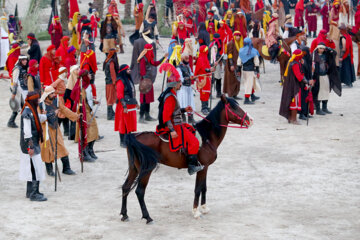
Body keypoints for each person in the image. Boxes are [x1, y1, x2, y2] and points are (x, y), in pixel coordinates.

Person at [156, 71, 203, 175]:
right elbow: (166, 116)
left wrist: (184, 110)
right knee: (194, 142)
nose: (181, 84)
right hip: (175, 126)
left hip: (178, 123)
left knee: (192, 130)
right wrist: (172, 130)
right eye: (179, 82)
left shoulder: (172, 94)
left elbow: (174, 112)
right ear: (174, 84)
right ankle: (191, 167)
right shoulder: (170, 97)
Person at [39, 86, 78, 176]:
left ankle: (66, 168)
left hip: (55, 128)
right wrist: (48, 115)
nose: (54, 95)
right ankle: (49, 170)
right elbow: (39, 119)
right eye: (51, 93)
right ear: (47, 95)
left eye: (53, 93)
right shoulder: (41, 105)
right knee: (47, 149)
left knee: (61, 147)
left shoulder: (57, 102)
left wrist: (75, 116)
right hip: (46, 130)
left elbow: (64, 110)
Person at [19, 92, 47, 201]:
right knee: (35, 167)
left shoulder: (31, 110)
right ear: (33, 100)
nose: (39, 101)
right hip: (30, 144)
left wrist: (49, 115)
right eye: (37, 99)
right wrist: (30, 147)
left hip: (32, 143)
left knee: (32, 167)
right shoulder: (27, 112)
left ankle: (30, 191)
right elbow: (27, 132)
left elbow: (39, 118)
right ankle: (34, 194)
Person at [71, 70, 99, 162]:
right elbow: (78, 101)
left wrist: (94, 101)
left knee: (94, 131)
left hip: (89, 111)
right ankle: (84, 152)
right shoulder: (80, 87)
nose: (90, 75)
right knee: (87, 133)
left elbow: (88, 98)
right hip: (84, 112)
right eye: (88, 74)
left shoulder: (88, 85)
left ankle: (90, 150)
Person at [137, 44, 168, 123]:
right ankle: (141, 116)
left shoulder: (148, 57)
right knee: (144, 99)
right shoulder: (143, 59)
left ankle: (147, 115)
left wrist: (164, 57)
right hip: (145, 81)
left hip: (148, 81)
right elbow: (142, 71)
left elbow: (155, 63)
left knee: (148, 99)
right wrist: (145, 82)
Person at [279, 49, 311, 124]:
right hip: (294, 85)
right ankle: (293, 119)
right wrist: (308, 81)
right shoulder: (295, 64)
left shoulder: (294, 62)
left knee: (292, 101)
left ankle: (291, 118)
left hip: (291, 84)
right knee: (295, 102)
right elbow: (299, 76)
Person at [312, 43, 341, 115]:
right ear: (317, 48)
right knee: (318, 92)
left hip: (325, 75)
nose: (321, 50)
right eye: (320, 48)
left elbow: (334, 53)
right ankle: (318, 109)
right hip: (318, 77)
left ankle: (324, 108)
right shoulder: (313, 56)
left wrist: (328, 48)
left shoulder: (326, 54)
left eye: (322, 48)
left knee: (326, 91)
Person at [115, 64, 138, 147]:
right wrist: (124, 106)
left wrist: (136, 103)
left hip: (130, 105)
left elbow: (132, 93)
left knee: (130, 123)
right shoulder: (120, 81)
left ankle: (128, 140)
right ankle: (122, 141)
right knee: (123, 123)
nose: (129, 71)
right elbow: (120, 95)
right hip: (123, 106)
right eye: (128, 69)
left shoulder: (129, 79)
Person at [237, 37, 261, 104]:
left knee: (252, 83)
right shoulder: (253, 51)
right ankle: (246, 99)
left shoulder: (241, 51)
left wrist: (238, 70)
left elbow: (239, 61)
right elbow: (256, 61)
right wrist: (257, 70)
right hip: (250, 70)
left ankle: (252, 96)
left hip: (244, 70)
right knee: (248, 84)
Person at [177, 53, 196, 123]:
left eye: (188, 58)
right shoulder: (179, 67)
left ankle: (191, 118)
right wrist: (189, 78)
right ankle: (183, 119)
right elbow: (180, 79)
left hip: (189, 88)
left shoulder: (188, 66)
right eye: (186, 58)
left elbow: (191, 74)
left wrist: (194, 77)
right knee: (183, 103)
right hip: (183, 89)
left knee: (190, 102)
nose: (187, 60)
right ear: (182, 59)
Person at [223, 31, 243, 99]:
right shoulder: (231, 43)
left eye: (239, 36)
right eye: (237, 36)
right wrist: (231, 64)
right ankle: (230, 94)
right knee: (231, 79)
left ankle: (235, 94)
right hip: (232, 64)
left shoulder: (240, 43)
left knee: (237, 79)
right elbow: (229, 54)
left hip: (238, 64)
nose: (238, 37)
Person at [51, 67, 70, 136]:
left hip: (65, 98)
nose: (67, 73)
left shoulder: (65, 79)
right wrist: (58, 92)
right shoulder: (59, 80)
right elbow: (51, 87)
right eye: (65, 72)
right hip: (61, 99)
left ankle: (66, 131)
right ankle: (56, 129)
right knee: (61, 114)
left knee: (65, 113)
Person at [195, 45, 213, 115]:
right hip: (203, 78)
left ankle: (206, 106)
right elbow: (203, 68)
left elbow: (207, 66)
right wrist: (209, 70)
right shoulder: (200, 58)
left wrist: (211, 68)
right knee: (204, 93)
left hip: (207, 78)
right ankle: (204, 107)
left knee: (207, 93)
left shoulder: (205, 57)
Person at [64, 65, 80, 140]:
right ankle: (72, 135)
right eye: (77, 69)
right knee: (73, 118)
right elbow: (67, 93)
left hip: (76, 101)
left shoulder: (77, 78)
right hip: (72, 102)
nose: (79, 70)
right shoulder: (71, 80)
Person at [103, 49, 118, 120]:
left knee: (109, 97)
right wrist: (115, 82)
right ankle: (109, 115)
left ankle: (111, 112)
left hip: (108, 82)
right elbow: (113, 73)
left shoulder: (107, 60)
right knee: (110, 98)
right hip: (111, 83)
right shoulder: (111, 62)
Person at [210, 33, 223, 98]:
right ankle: (211, 93)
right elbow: (213, 55)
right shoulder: (214, 45)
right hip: (214, 63)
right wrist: (214, 62)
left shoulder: (214, 44)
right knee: (214, 79)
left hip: (215, 62)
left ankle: (218, 93)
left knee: (217, 78)